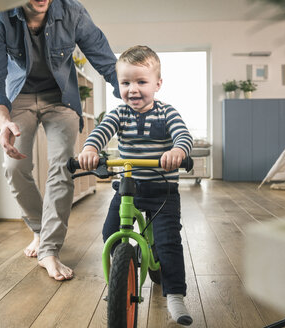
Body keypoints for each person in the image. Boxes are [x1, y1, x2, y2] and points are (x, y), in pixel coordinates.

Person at [0, 0, 120, 281]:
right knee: (14, 167)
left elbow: (106, 60)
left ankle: (49, 250)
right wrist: (3, 121)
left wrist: (133, 91)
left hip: (62, 98)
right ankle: (40, 230)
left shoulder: (72, 12)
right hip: (18, 97)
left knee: (62, 167)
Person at [78, 45, 194, 325]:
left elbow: (183, 136)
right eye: (126, 82)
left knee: (168, 243)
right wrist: (91, 149)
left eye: (141, 82)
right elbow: (99, 133)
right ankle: (118, 282)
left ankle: (175, 295)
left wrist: (178, 152)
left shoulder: (167, 113)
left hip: (162, 191)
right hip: (128, 188)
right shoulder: (119, 114)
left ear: (157, 84)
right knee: (110, 232)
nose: (133, 89)